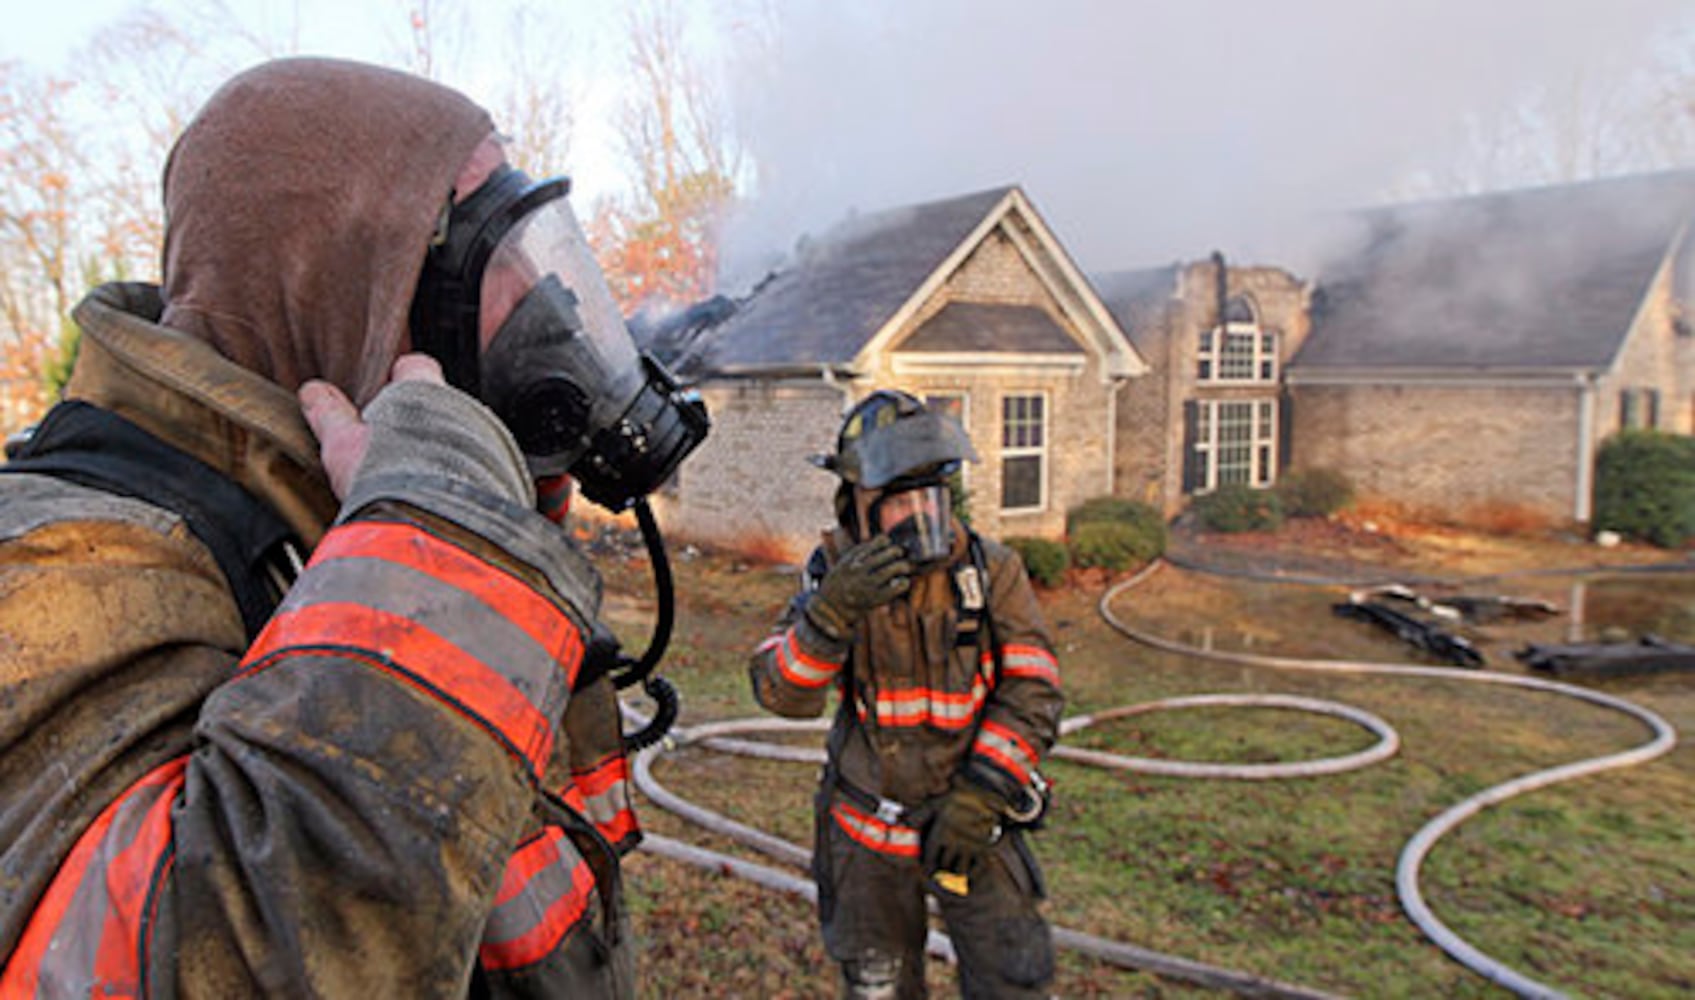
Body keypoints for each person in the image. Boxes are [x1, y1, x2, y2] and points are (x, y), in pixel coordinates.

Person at [0, 57, 705, 996]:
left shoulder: (352, 514)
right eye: (504, 250)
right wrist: (439, 540)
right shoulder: (59, 566)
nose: (551, 300)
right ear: (347, 283)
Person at [748, 390, 1064, 998]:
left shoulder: (989, 572)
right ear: (857, 507)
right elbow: (781, 692)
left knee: (1012, 979)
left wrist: (980, 797)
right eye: (900, 501)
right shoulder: (833, 580)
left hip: (973, 825)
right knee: (879, 987)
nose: (922, 516)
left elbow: (1034, 687)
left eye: (932, 495)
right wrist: (829, 616)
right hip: (869, 838)